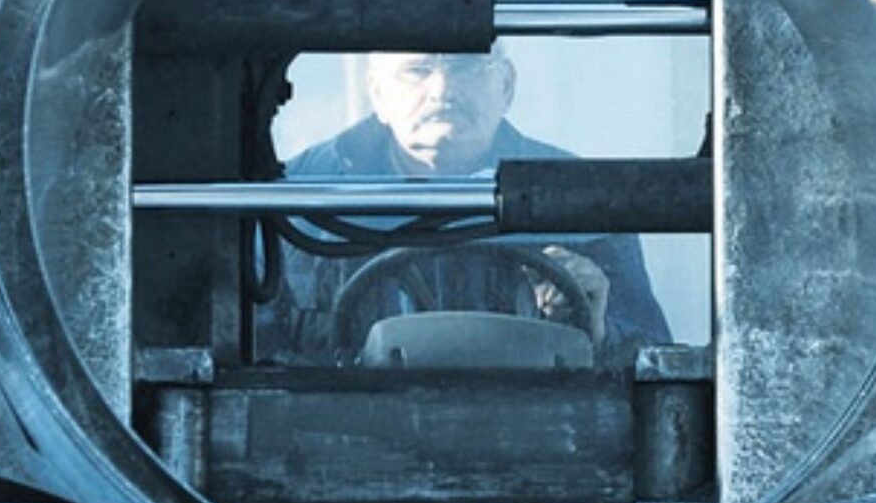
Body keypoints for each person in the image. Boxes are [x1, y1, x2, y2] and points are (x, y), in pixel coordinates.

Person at [258, 47, 671, 363]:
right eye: (417, 70)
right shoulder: (298, 197)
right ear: (378, 92)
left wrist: (597, 331)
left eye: (466, 67)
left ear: (506, 86)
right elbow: (256, 353)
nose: (442, 90)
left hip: (536, 434)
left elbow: (652, 359)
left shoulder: (581, 198)